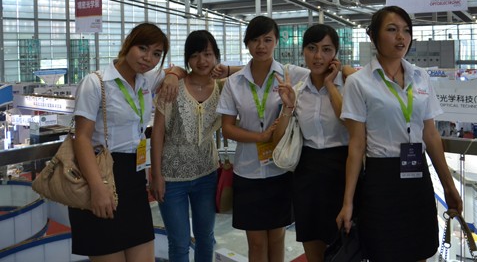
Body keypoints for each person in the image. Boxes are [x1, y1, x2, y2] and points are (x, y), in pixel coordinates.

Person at [336, 6, 462, 262]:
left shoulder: (421, 77)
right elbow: (357, 145)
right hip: (382, 178)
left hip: (417, 176)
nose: (401, 37)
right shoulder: (359, 82)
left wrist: (449, 186)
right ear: (374, 36)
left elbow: (431, 135)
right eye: (392, 30)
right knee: (384, 252)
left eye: (406, 31)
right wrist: (348, 202)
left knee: (420, 250)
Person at [71, 22, 178, 261]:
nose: (148, 58)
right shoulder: (96, 82)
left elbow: (178, 70)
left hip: (134, 177)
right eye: (143, 48)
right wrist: (98, 188)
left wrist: (171, 76)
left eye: (156, 54)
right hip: (101, 174)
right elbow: (82, 139)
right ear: (128, 44)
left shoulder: (145, 81)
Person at [216, 15, 309, 262]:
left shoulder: (290, 74)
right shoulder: (234, 83)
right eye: (255, 40)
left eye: (267, 40)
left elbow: (322, 71)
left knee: (277, 236)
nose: (261, 46)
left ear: (276, 42)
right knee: (256, 242)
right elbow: (227, 128)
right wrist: (260, 136)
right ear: (247, 43)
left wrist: (345, 69)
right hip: (247, 171)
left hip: (280, 169)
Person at [273, 24, 352, 262]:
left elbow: (349, 123)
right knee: (312, 243)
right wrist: (288, 106)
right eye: (312, 48)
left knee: (345, 248)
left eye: (326, 50)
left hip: (343, 170)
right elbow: (278, 141)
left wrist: (330, 84)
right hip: (307, 172)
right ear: (303, 51)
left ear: (335, 54)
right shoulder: (297, 90)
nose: (318, 56)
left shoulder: (349, 87)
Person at [150, 30, 224, 262]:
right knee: (180, 243)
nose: (202, 61)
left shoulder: (223, 88)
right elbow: (157, 134)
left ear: (216, 56)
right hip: (172, 178)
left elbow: (255, 69)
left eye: (207, 54)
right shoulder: (173, 88)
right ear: (187, 59)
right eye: (194, 55)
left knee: (206, 238)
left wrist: (227, 70)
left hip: (207, 174)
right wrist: (156, 175)